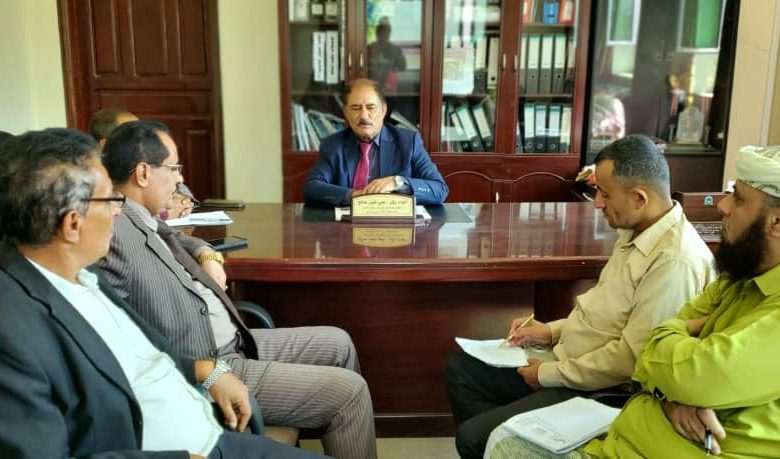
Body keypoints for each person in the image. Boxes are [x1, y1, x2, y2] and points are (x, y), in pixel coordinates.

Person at [0, 128, 322, 458]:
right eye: (110, 199)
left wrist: (206, 370)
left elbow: (143, 352)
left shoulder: (84, 272)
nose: (118, 210)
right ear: (73, 224)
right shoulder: (13, 329)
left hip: (212, 431)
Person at [99, 120, 377, 459]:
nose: (180, 179)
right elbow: (122, 340)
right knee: (350, 394)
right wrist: (204, 370)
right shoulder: (112, 232)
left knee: (338, 342)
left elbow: (175, 237)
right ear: (143, 173)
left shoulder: (142, 215)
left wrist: (208, 254)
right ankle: (326, 414)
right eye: (173, 169)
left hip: (233, 340)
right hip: (209, 362)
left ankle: (324, 427)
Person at [488, 145, 780, 458]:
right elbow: (655, 358)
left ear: (777, 223)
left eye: (738, 198)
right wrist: (671, 394)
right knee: (485, 413)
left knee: (500, 443)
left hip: (632, 422)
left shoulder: (677, 260)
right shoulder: (736, 277)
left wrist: (675, 353)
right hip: (627, 431)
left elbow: (657, 359)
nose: (723, 205)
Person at [444, 134, 716, 459]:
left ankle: (496, 438)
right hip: (568, 358)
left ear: (639, 198)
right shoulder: (638, 230)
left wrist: (547, 375)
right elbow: (606, 312)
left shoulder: (674, 262)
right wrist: (550, 331)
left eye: (604, 193)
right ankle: (500, 438)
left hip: (604, 387)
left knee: (473, 438)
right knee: (461, 370)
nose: (597, 203)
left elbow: (632, 359)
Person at [303, 78, 448, 206]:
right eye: (355, 108)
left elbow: (439, 190)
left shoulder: (409, 142)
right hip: (348, 224)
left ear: (383, 110)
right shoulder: (333, 145)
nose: (364, 116)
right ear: (346, 113)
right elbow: (312, 188)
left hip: (395, 224)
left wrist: (397, 182)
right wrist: (355, 196)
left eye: (371, 107)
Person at [367, 16, 406, 93]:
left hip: (389, 90)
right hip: (371, 89)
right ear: (377, 33)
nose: (384, 34)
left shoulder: (395, 49)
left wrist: (391, 65)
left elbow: (402, 67)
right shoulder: (369, 49)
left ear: (389, 33)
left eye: (386, 31)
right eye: (382, 31)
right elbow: (363, 68)